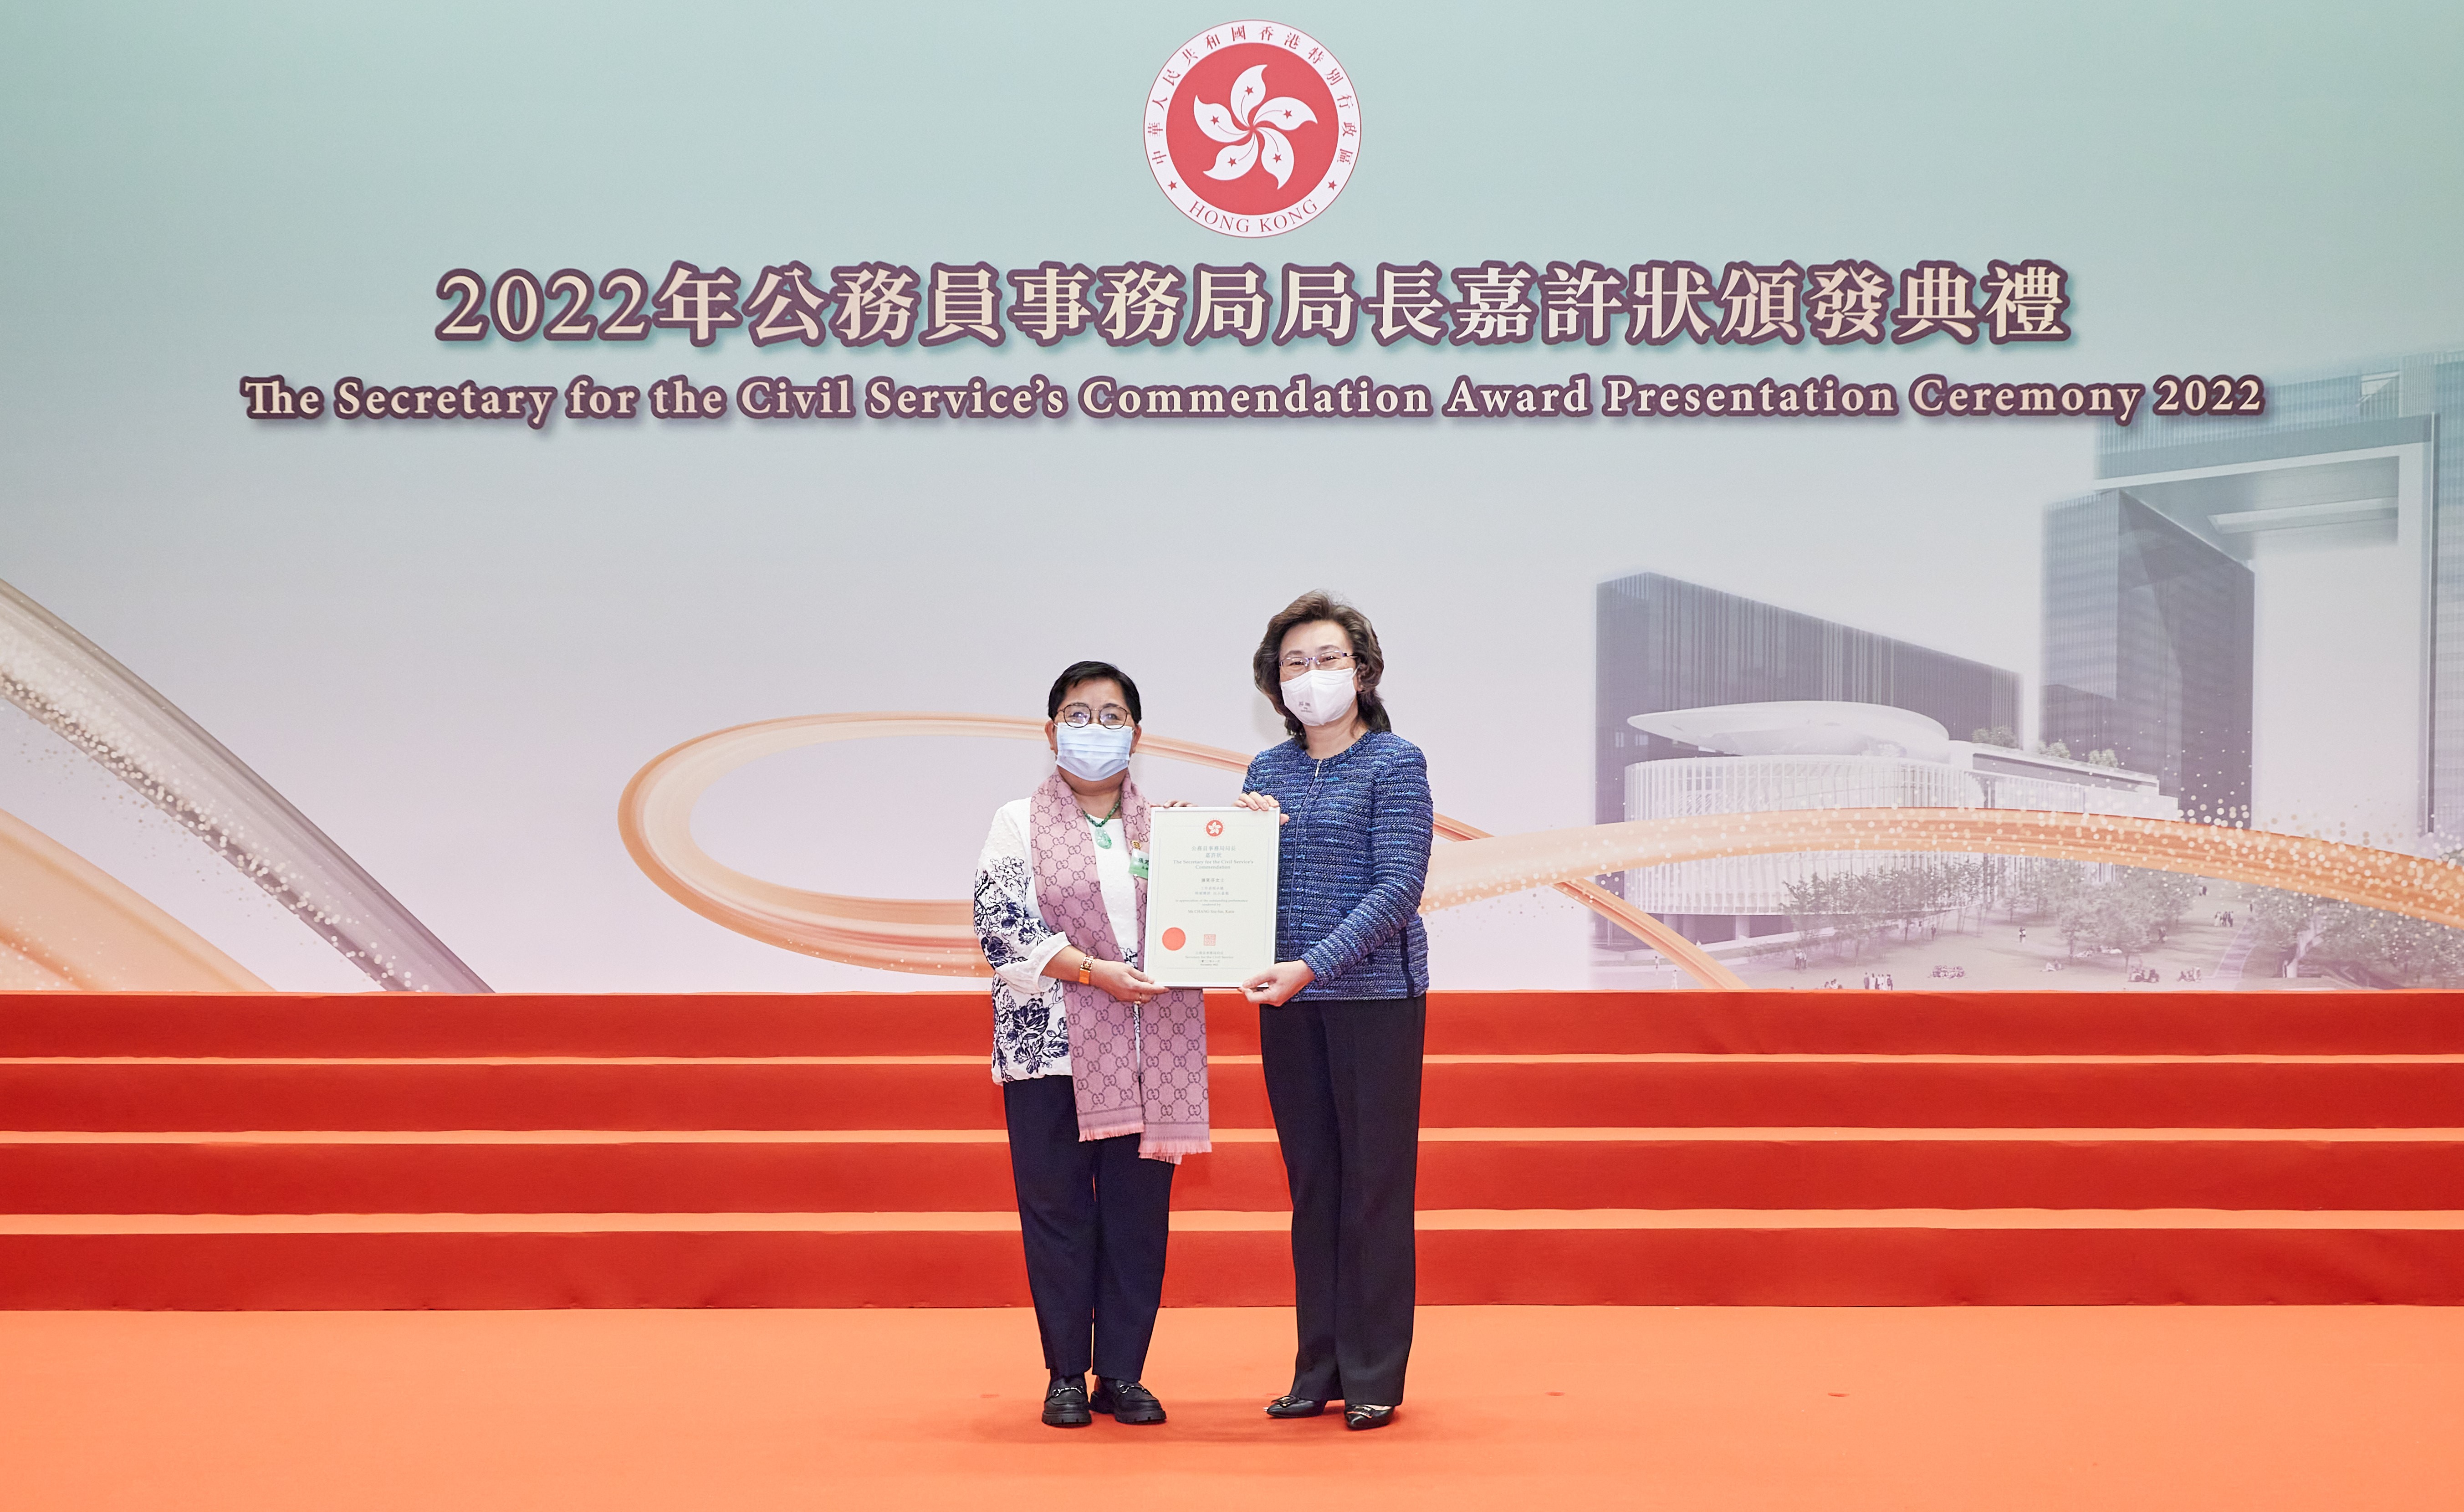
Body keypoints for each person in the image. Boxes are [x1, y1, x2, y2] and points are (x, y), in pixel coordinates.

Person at [971, 660, 1209, 1430]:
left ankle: (1124, 1374)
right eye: (1078, 714)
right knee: (1058, 1214)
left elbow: (1212, 918)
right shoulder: (1016, 821)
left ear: (1136, 735)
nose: (1095, 730)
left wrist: (1239, 842)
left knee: (1138, 1218)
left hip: (1148, 1052)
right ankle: (1066, 1374)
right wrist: (1092, 973)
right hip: (1047, 1051)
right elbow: (1000, 926)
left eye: (1112, 716)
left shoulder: (1170, 827)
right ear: (1049, 732)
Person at [1232, 592, 1433, 1434]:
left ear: (1364, 671)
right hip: (1287, 1004)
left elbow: (1397, 889)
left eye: (1327, 660)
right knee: (1314, 1188)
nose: (1310, 678)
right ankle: (1315, 1366)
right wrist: (1222, 843)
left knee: (1375, 1188)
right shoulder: (1264, 775)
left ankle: (1374, 1372)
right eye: (1293, 664)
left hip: (1375, 1001)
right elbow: (1235, 889)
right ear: (1273, 686)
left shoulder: (1395, 761)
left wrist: (1312, 964)